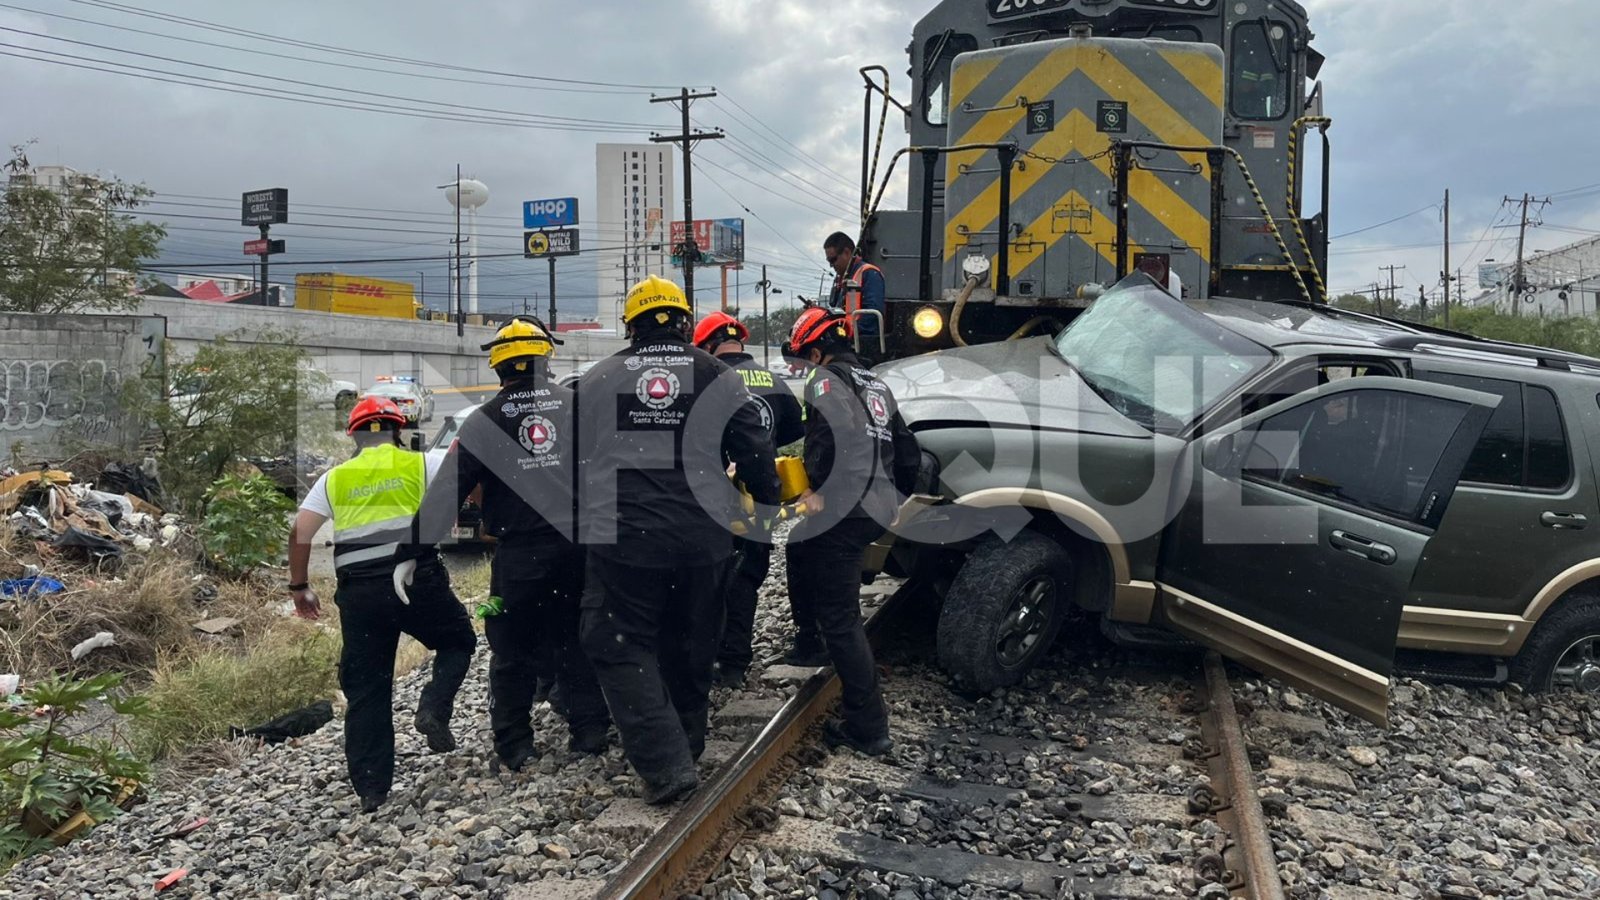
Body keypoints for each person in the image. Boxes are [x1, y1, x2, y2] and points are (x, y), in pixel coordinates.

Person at [577, 275, 780, 804]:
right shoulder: (718, 375)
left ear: (632, 326)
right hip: (703, 537)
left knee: (616, 641)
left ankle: (667, 765)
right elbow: (755, 452)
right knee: (692, 640)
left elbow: (574, 465)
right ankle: (686, 746)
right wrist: (766, 508)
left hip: (624, 539)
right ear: (685, 323)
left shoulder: (599, 378)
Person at [414, 317, 610, 772]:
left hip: (519, 558)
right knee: (578, 638)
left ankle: (516, 744)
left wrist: (415, 549)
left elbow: (449, 489)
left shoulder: (484, 421)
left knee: (511, 648)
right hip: (578, 549)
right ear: (547, 359)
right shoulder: (579, 407)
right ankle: (590, 731)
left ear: (499, 367)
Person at [287, 396, 476, 813]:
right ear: (399, 431)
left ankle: (373, 791)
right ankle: (434, 707)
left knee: (368, 687)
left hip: (359, 593)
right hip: (416, 579)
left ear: (353, 435)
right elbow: (465, 484)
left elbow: (300, 532)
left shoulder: (334, 478)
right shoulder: (421, 464)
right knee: (458, 641)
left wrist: (299, 586)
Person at [783, 307, 919, 756]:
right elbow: (908, 452)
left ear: (818, 352)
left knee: (841, 618)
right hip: (874, 507)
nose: (799, 370)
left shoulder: (824, 381)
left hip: (844, 507)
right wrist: (894, 498)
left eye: (802, 361)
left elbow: (827, 442)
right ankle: (809, 644)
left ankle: (868, 726)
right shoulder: (875, 383)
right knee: (800, 549)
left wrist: (818, 491)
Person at [692, 311, 805, 687]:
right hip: (760, 492)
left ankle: (700, 657)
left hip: (713, 498)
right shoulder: (770, 377)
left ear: (707, 346)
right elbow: (793, 425)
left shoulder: (707, 377)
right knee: (746, 579)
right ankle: (734, 664)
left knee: (705, 580)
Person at [825, 232, 886, 358]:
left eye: (833, 259)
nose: (831, 265)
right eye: (829, 261)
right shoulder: (841, 279)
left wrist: (847, 331)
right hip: (846, 342)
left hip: (863, 345)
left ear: (847, 252)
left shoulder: (869, 273)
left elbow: (872, 312)